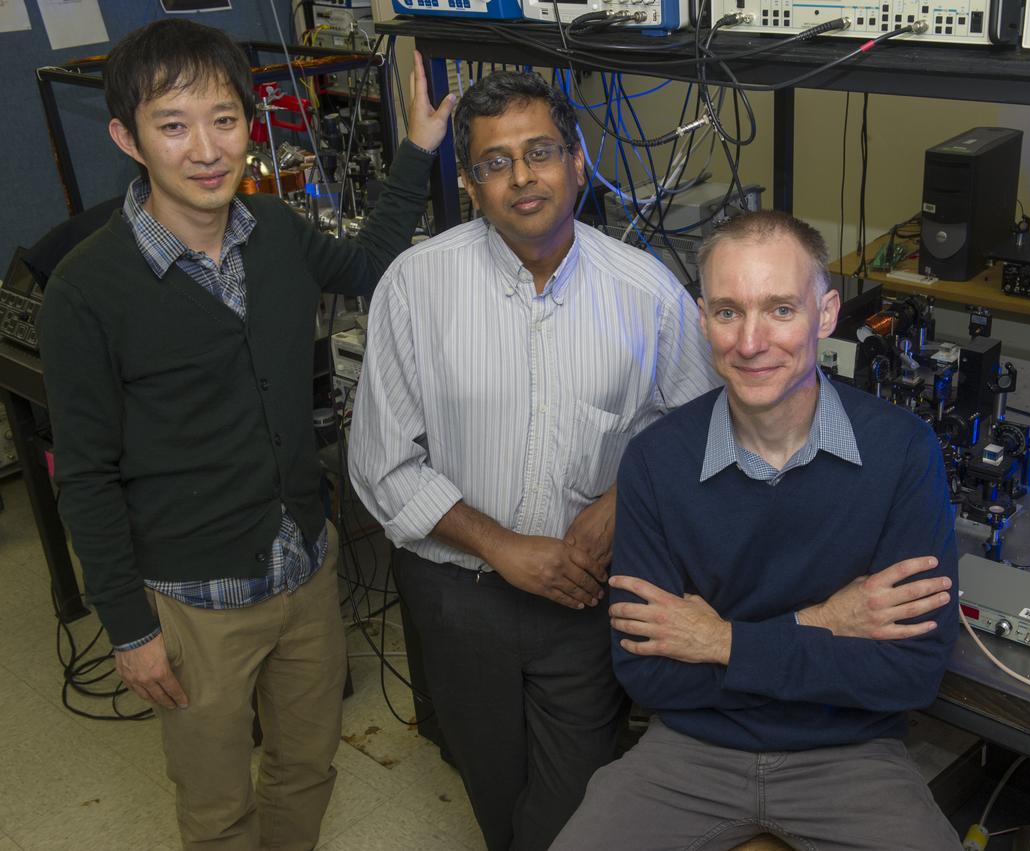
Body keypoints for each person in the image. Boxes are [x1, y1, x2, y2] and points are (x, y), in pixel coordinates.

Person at [38, 18, 453, 850]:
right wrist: (129, 626)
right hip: (195, 603)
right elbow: (84, 473)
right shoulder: (86, 292)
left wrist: (416, 150)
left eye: (224, 120)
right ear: (127, 136)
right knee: (219, 807)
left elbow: (368, 262)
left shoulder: (274, 233)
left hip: (303, 565)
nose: (206, 149)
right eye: (173, 124)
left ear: (249, 123)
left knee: (308, 765)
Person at [346, 70, 719, 851]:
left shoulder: (647, 294)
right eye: (494, 161)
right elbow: (383, 463)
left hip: (585, 602)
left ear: (578, 161)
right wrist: (504, 548)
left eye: (541, 151)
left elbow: (699, 426)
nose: (521, 176)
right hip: (456, 597)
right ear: (471, 183)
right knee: (495, 789)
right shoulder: (415, 286)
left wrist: (621, 503)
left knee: (571, 813)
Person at [552, 210, 962, 850]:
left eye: (779, 310)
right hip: (691, 752)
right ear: (701, 318)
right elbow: (650, 676)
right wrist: (825, 624)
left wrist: (718, 642)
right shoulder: (657, 461)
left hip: (848, 755)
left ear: (825, 315)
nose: (750, 342)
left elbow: (909, 675)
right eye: (727, 312)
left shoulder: (903, 453)